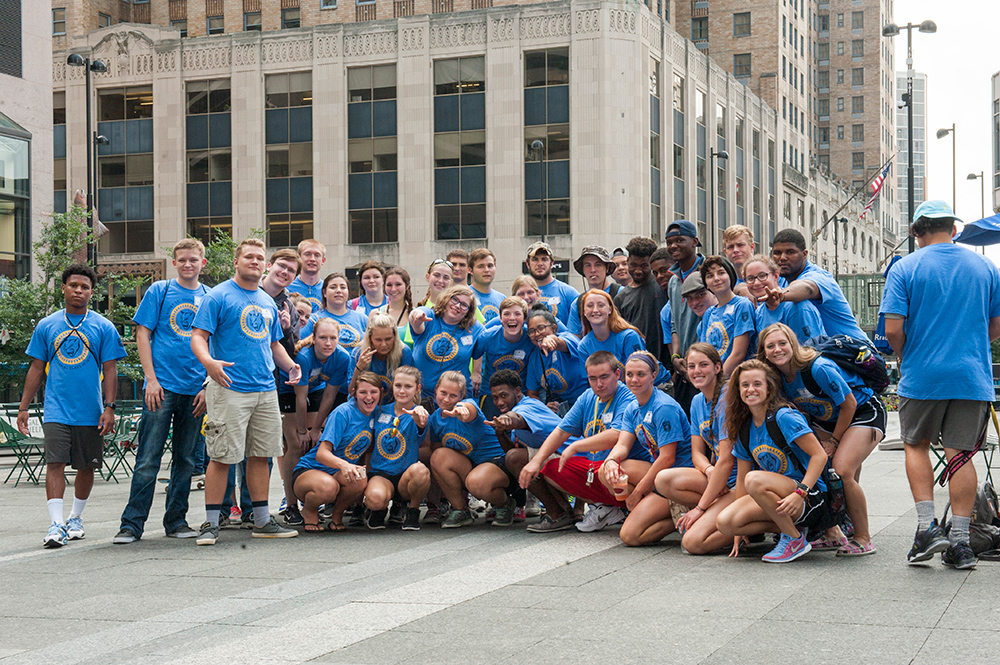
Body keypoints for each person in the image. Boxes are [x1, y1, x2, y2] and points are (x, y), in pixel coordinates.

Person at [880, 200, 1000, 570]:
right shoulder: (986, 267)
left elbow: (893, 329)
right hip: (971, 375)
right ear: (954, 228)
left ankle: (927, 528)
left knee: (915, 445)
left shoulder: (906, 267)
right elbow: (995, 326)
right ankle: (961, 543)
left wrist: (905, 355)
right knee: (962, 453)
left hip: (923, 374)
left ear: (917, 232)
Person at [190, 237, 302, 545]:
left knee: (260, 455)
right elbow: (198, 336)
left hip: (266, 389)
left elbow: (274, 343)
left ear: (265, 265)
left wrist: (291, 366)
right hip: (229, 387)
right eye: (248, 256)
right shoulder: (219, 296)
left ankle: (263, 520)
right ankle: (212, 523)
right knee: (222, 456)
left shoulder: (267, 301)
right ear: (236, 262)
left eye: (259, 257)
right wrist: (208, 362)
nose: (254, 261)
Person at [20, 264, 127, 549]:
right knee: (54, 463)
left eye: (85, 287)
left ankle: (75, 518)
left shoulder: (103, 327)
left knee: (85, 467)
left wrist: (110, 407)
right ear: (63, 288)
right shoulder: (46, 325)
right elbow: (36, 367)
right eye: (73, 285)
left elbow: (111, 369)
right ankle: (56, 524)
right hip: (56, 409)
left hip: (90, 411)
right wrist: (23, 407)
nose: (78, 290)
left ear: (92, 293)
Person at [114, 239, 211, 544]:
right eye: (182, 260)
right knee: (147, 457)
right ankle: (131, 524)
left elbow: (217, 342)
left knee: (185, 459)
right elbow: (143, 334)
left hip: (195, 389)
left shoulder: (210, 297)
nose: (187, 264)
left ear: (202, 263)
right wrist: (151, 379)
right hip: (162, 387)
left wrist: (208, 386)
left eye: (193, 260)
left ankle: (176, 521)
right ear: (174, 262)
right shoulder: (160, 291)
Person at [759, 322, 885, 556]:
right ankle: (833, 532)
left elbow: (849, 404)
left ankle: (863, 537)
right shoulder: (776, 377)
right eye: (770, 346)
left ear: (793, 344)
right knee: (819, 468)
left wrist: (834, 442)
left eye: (782, 343)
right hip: (827, 420)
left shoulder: (817, 367)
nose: (777, 349)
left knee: (842, 471)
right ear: (763, 351)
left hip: (863, 411)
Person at [716, 360, 828, 563]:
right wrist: (739, 528)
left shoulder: (784, 416)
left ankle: (794, 539)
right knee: (726, 523)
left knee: (754, 480)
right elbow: (741, 478)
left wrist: (800, 492)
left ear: (769, 387)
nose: (751, 389)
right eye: (745, 385)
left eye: (757, 384)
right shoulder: (744, 426)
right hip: (778, 497)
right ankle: (794, 528)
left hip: (808, 495)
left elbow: (819, 455)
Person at [519, 350, 637, 533]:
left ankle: (630, 507)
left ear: (617, 374)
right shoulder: (587, 397)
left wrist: (576, 445)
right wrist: (535, 461)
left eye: (604, 377)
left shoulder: (627, 397)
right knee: (550, 467)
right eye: (593, 378)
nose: (599, 384)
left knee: (606, 470)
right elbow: (560, 432)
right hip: (595, 467)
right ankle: (604, 506)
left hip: (620, 467)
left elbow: (616, 435)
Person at [599, 352, 691, 546]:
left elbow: (668, 458)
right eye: (630, 374)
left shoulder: (664, 407)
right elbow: (622, 445)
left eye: (641, 374)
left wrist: (637, 493)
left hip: (677, 476)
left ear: (653, 375)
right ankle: (656, 511)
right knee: (604, 471)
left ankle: (677, 515)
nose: (634, 380)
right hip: (657, 472)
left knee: (630, 536)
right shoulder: (632, 407)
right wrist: (609, 461)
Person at [656, 343, 737, 555]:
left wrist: (700, 509)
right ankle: (724, 512)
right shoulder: (697, 401)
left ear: (717, 367)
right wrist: (710, 471)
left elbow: (727, 460)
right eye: (691, 366)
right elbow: (697, 453)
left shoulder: (728, 397)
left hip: (739, 482)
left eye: (703, 365)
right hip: (717, 479)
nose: (696, 371)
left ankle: (746, 525)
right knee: (663, 479)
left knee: (692, 543)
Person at [277, 317, 350, 527]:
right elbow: (300, 397)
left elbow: (329, 396)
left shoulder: (341, 357)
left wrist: (316, 428)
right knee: (296, 445)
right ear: (314, 338)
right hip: (290, 390)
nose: (328, 343)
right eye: (323, 338)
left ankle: (315, 494)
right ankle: (291, 505)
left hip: (316, 388)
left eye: (332, 338)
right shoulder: (305, 356)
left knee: (315, 443)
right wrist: (302, 430)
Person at [487, 370, 577, 532]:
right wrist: (500, 432)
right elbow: (512, 453)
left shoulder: (528, 407)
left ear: (517, 391)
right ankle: (565, 511)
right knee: (516, 458)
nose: (499, 402)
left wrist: (508, 419)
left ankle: (557, 514)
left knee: (517, 459)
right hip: (560, 460)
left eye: (503, 395)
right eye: (495, 398)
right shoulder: (520, 407)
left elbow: (518, 418)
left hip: (575, 461)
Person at [292, 372, 381, 531]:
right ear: (354, 393)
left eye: (373, 392)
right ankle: (309, 511)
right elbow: (321, 453)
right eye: (363, 392)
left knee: (360, 478)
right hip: (310, 470)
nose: (369, 397)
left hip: (338, 473)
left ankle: (337, 515)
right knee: (328, 487)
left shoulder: (377, 414)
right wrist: (344, 465)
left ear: (381, 393)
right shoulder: (343, 412)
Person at [427, 372, 508, 527]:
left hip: (498, 464)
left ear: (461, 396)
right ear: (436, 389)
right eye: (443, 393)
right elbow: (437, 451)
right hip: (472, 467)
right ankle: (460, 509)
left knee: (476, 482)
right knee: (438, 456)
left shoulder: (469, 405)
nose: (446, 399)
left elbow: (468, 410)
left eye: (453, 395)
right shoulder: (435, 419)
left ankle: (506, 503)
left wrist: (461, 409)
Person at [765, 228, 868, 340]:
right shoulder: (780, 278)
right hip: (829, 351)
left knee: (798, 304)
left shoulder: (820, 277)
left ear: (804, 254)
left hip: (857, 352)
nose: (782, 258)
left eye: (790, 252)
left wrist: (782, 295)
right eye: (777, 253)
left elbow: (807, 288)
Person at [365, 366, 431, 530]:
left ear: (417, 388)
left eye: (408, 387)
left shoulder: (420, 413)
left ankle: (413, 509)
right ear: (392, 386)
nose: (402, 391)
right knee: (375, 499)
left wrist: (420, 420)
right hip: (381, 474)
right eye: (398, 385)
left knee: (420, 470)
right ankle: (380, 509)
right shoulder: (379, 411)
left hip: (405, 477)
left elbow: (423, 430)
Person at [409, 285, 484, 403]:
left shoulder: (474, 328)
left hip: (455, 398)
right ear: (446, 298)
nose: (457, 306)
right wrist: (416, 316)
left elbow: (482, 346)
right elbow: (417, 318)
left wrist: (477, 372)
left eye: (464, 305)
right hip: (422, 396)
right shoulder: (430, 315)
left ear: (468, 311)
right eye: (454, 300)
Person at [665, 220, 706, 412]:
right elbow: (674, 324)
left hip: (706, 367)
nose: (673, 246)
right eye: (669, 242)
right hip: (684, 369)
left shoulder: (710, 273)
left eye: (679, 240)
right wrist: (675, 357)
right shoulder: (673, 281)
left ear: (695, 241)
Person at [473, 296, 536, 418]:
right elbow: (474, 354)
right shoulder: (488, 337)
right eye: (507, 314)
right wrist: (476, 372)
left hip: (520, 393)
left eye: (517, 314)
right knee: (493, 427)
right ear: (500, 319)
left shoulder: (531, 337)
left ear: (524, 319)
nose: (512, 318)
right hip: (491, 392)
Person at [743, 255, 824, 344]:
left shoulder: (797, 307)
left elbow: (811, 351)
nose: (757, 283)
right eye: (750, 278)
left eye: (762, 276)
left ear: (776, 276)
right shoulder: (759, 313)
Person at [697, 255, 756, 378]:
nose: (716, 278)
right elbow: (704, 351)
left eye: (721, 273)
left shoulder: (742, 305)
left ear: (730, 275)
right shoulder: (708, 313)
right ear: (706, 284)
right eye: (710, 276)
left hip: (734, 378)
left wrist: (718, 379)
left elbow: (738, 353)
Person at [525, 305, 588, 415]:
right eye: (532, 331)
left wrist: (551, 339)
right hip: (562, 411)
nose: (537, 334)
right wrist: (544, 407)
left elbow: (561, 343)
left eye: (541, 328)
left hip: (586, 403)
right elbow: (532, 393)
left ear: (554, 328)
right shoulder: (534, 358)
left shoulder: (569, 339)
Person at [614, 236, 668, 362]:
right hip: (636, 366)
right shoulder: (620, 299)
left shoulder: (664, 287)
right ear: (627, 261)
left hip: (667, 367)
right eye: (633, 265)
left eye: (644, 265)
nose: (638, 271)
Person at [577, 289, 648, 375]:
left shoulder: (629, 337)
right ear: (584, 311)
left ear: (610, 309)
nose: (595, 310)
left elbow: (640, 375)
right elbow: (590, 381)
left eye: (601, 305)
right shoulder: (584, 346)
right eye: (590, 306)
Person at [351, 312, 414, 399]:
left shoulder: (404, 352)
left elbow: (408, 392)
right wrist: (358, 368)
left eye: (388, 339)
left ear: (395, 336)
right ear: (370, 338)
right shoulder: (359, 352)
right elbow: (351, 392)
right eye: (378, 340)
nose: (384, 344)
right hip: (365, 404)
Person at [301, 273, 368, 350]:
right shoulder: (313, 320)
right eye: (333, 287)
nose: (338, 290)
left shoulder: (362, 319)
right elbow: (300, 346)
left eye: (343, 287)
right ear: (324, 293)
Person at [567, 246, 620, 335]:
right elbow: (574, 338)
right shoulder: (578, 303)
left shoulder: (622, 294)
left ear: (607, 268)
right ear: (583, 270)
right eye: (588, 265)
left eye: (598, 264)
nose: (593, 270)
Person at [525, 241, 578, 325]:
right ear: (528, 264)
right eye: (535, 259)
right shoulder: (521, 294)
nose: (540, 264)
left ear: (551, 263)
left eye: (544, 259)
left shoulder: (569, 293)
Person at [288, 239, 326, 312]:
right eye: (307, 254)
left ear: (323, 260)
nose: (312, 259)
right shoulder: (286, 287)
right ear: (299, 258)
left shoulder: (328, 290)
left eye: (317, 255)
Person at [469, 248, 506, 323]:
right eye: (480, 266)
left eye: (490, 266)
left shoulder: (502, 299)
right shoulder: (463, 297)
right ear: (470, 270)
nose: (486, 270)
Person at [377, 266, 413, 335]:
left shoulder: (414, 314)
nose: (393, 289)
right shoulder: (376, 314)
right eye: (389, 285)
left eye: (398, 284)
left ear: (407, 286)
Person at [722, 224, 756, 297]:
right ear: (725, 252)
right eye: (730, 247)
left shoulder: (769, 275)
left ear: (752, 247)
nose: (735, 250)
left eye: (740, 245)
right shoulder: (725, 282)